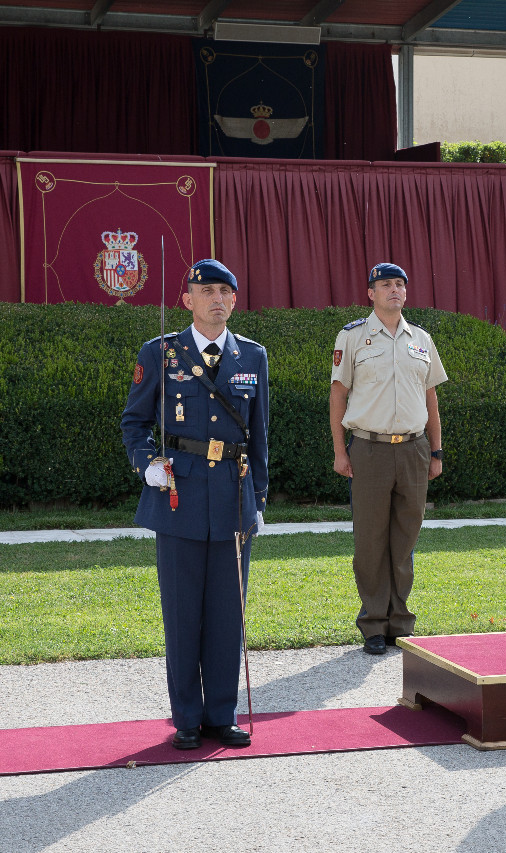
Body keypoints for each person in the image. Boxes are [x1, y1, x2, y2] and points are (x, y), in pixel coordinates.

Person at [121, 258, 269, 750]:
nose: (217, 299)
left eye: (226, 291)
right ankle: (186, 716)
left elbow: (259, 436)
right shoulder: (161, 352)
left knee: (229, 613)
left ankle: (220, 714)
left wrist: (259, 499)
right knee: (183, 613)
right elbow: (134, 421)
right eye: (206, 291)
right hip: (178, 494)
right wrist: (146, 464)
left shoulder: (252, 356)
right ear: (186, 300)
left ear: (234, 299)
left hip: (232, 494)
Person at [330, 263, 447, 657]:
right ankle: (373, 624)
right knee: (370, 540)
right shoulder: (352, 338)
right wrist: (339, 450)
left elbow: (431, 398)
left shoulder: (422, 339)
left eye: (399, 284)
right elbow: (338, 394)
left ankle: (400, 622)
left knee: (405, 538)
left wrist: (436, 450)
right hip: (370, 449)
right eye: (385, 285)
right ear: (371, 293)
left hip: (414, 449)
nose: (394, 290)